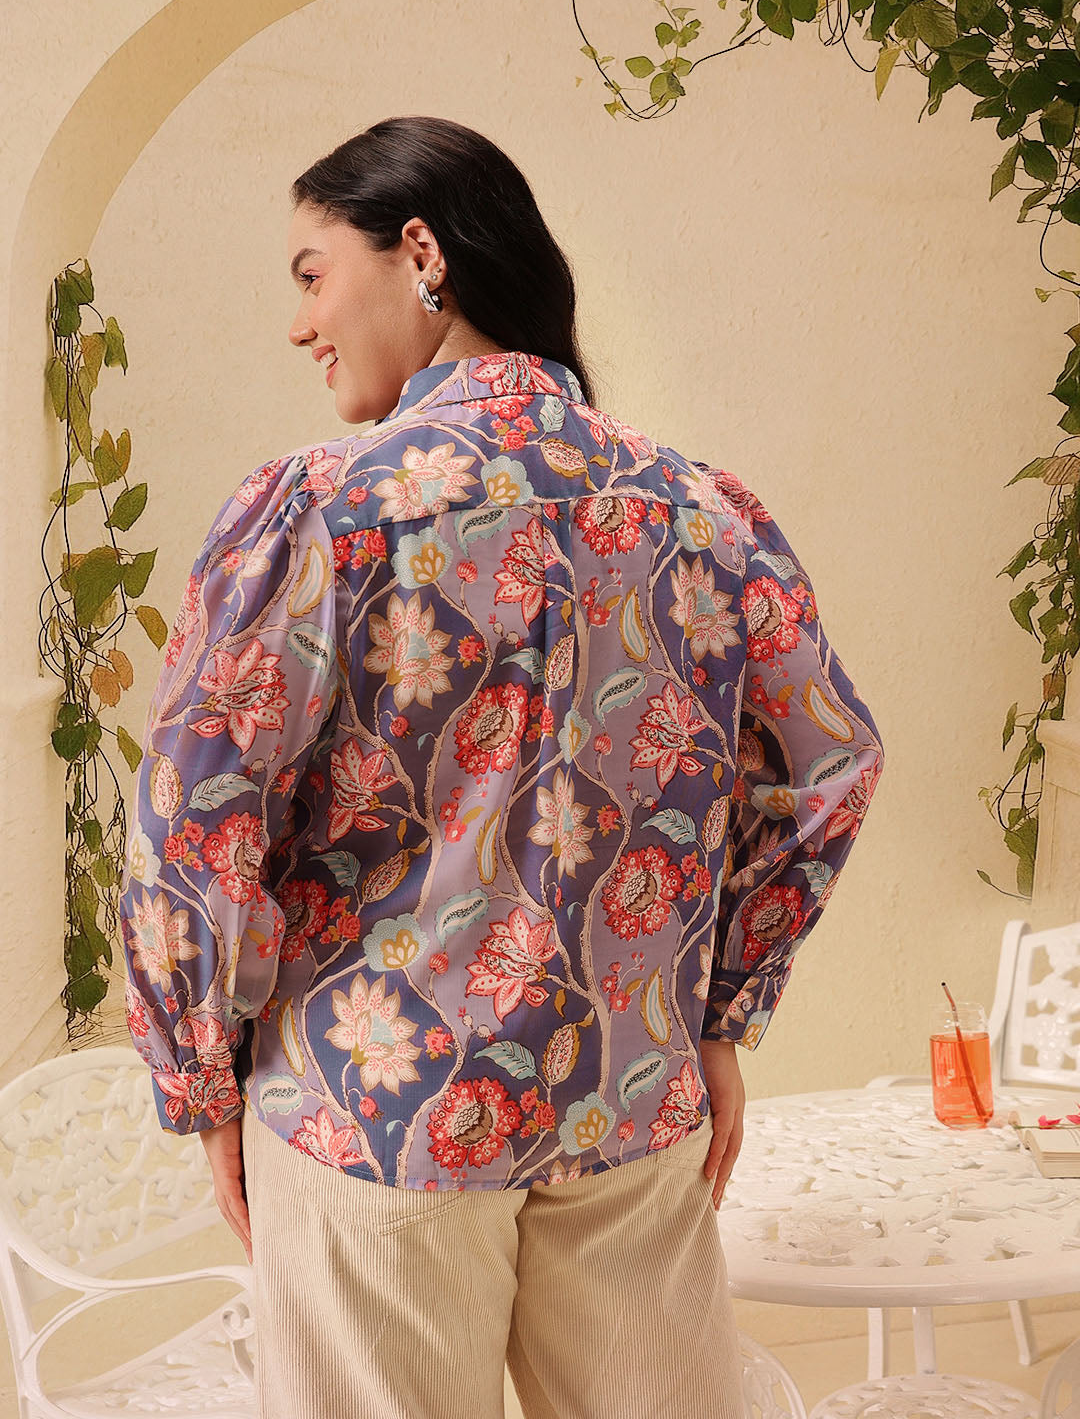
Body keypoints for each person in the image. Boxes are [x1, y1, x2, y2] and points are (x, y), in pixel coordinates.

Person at [116, 114, 886, 1419]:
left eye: (312, 274)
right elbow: (832, 765)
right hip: (626, 1100)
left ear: (421, 252)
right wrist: (717, 1010)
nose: (299, 324)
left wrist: (199, 1083)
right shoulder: (702, 512)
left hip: (374, 1122)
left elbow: (197, 814)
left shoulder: (318, 512)